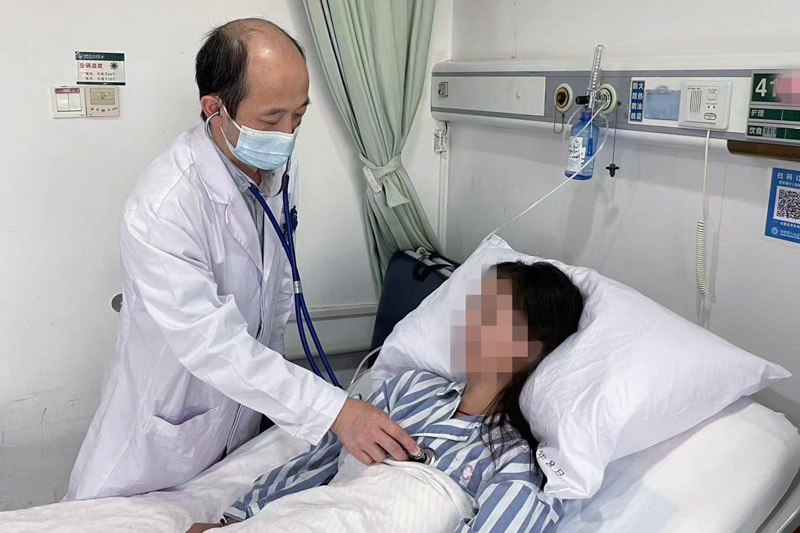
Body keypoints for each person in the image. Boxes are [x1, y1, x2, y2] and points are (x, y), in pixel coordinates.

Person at [65, 18, 418, 501]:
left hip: (240, 428)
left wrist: (286, 400)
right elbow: (211, 343)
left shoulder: (274, 173)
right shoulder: (163, 205)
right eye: (272, 120)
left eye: (299, 116)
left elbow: (273, 294)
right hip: (164, 439)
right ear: (215, 109)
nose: (288, 135)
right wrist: (333, 411)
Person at [186, 261, 585, 532]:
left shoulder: (512, 459)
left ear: (527, 349)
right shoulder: (409, 390)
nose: (468, 323)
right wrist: (239, 517)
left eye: (490, 316)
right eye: (473, 308)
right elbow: (321, 463)